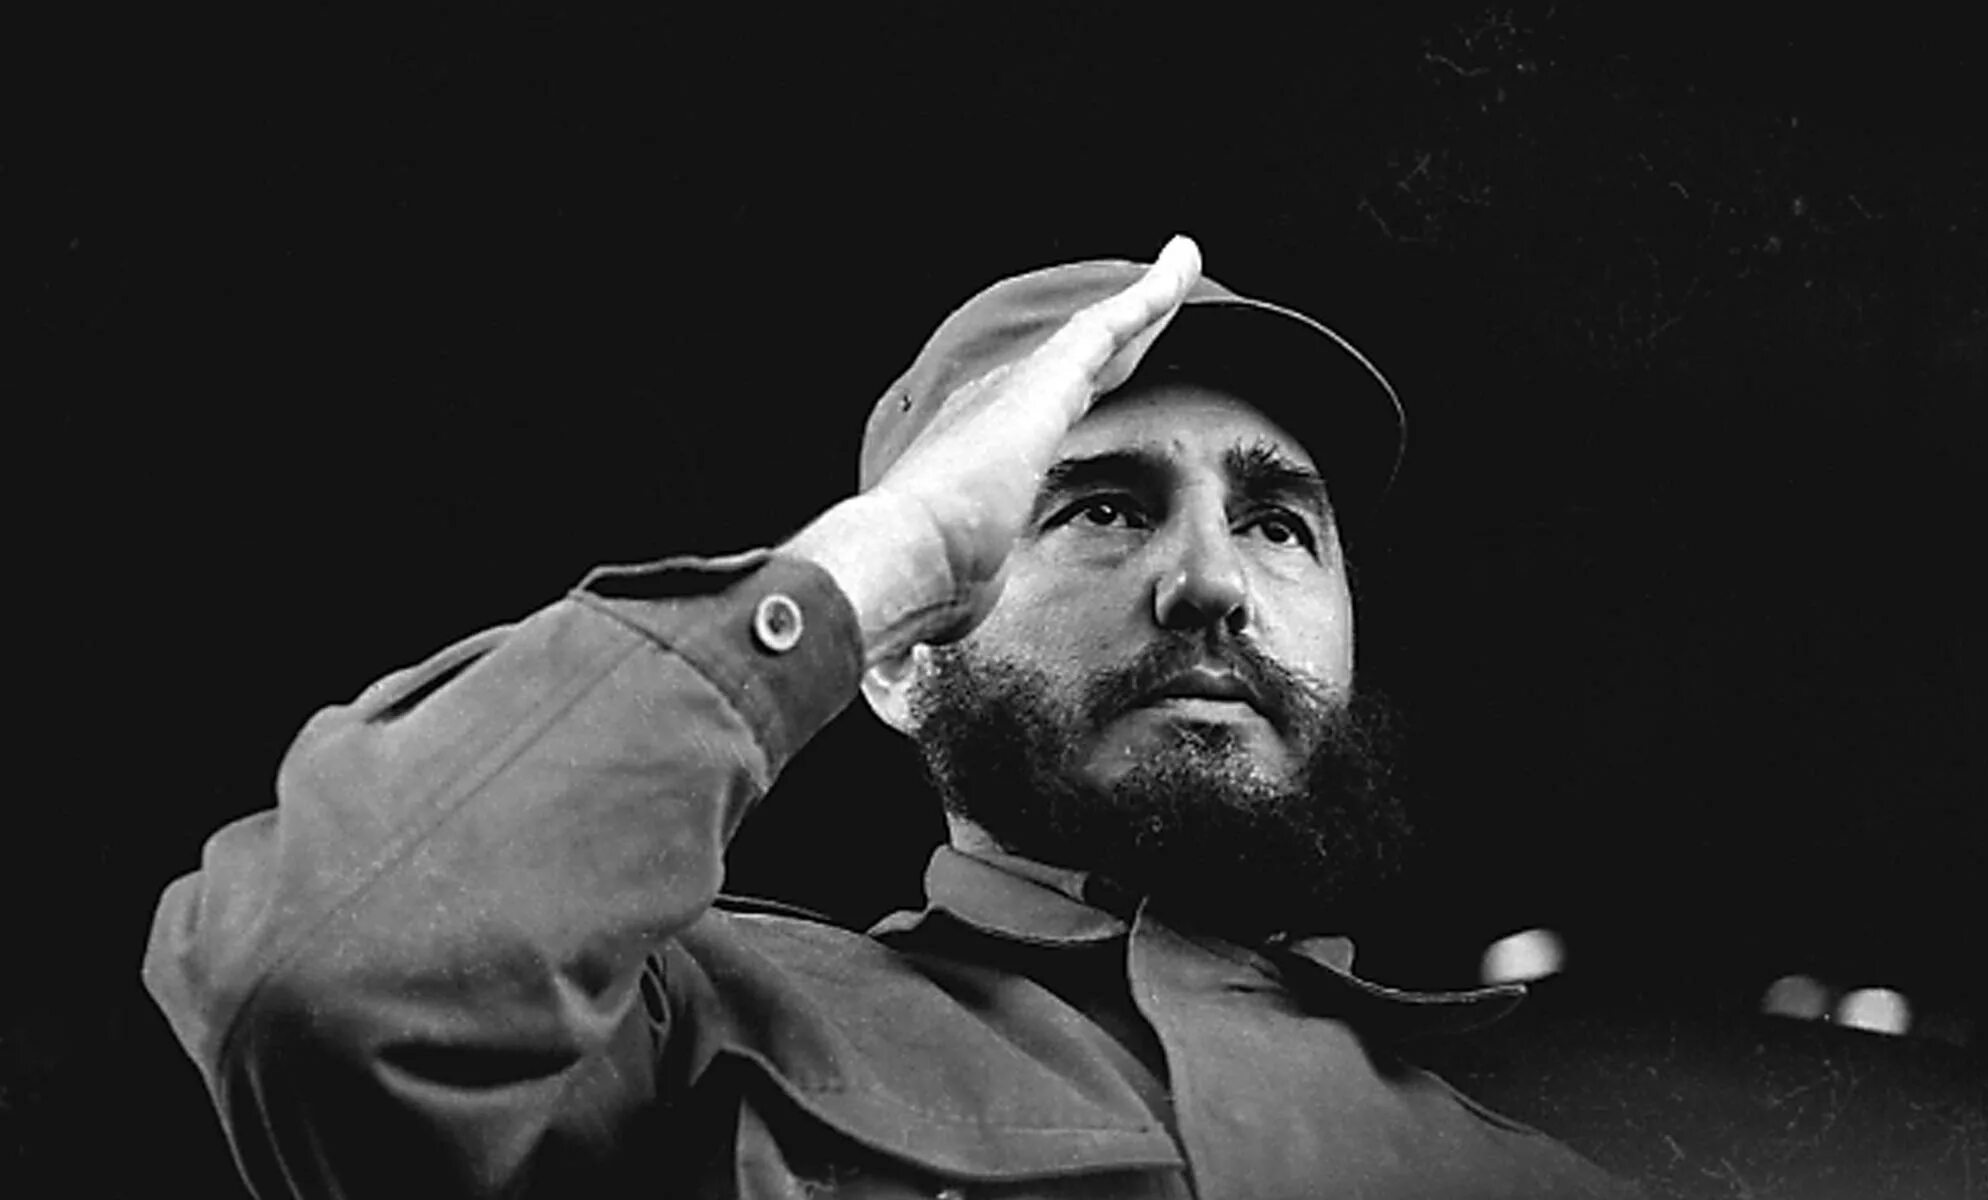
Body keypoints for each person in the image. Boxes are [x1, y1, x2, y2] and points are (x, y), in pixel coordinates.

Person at [145, 237, 1639, 1197]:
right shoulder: (688, 1032)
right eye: (1102, 508)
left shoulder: (1552, 1165)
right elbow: (325, 985)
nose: (1210, 583)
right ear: (899, 661)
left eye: (1278, 525)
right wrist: (885, 556)